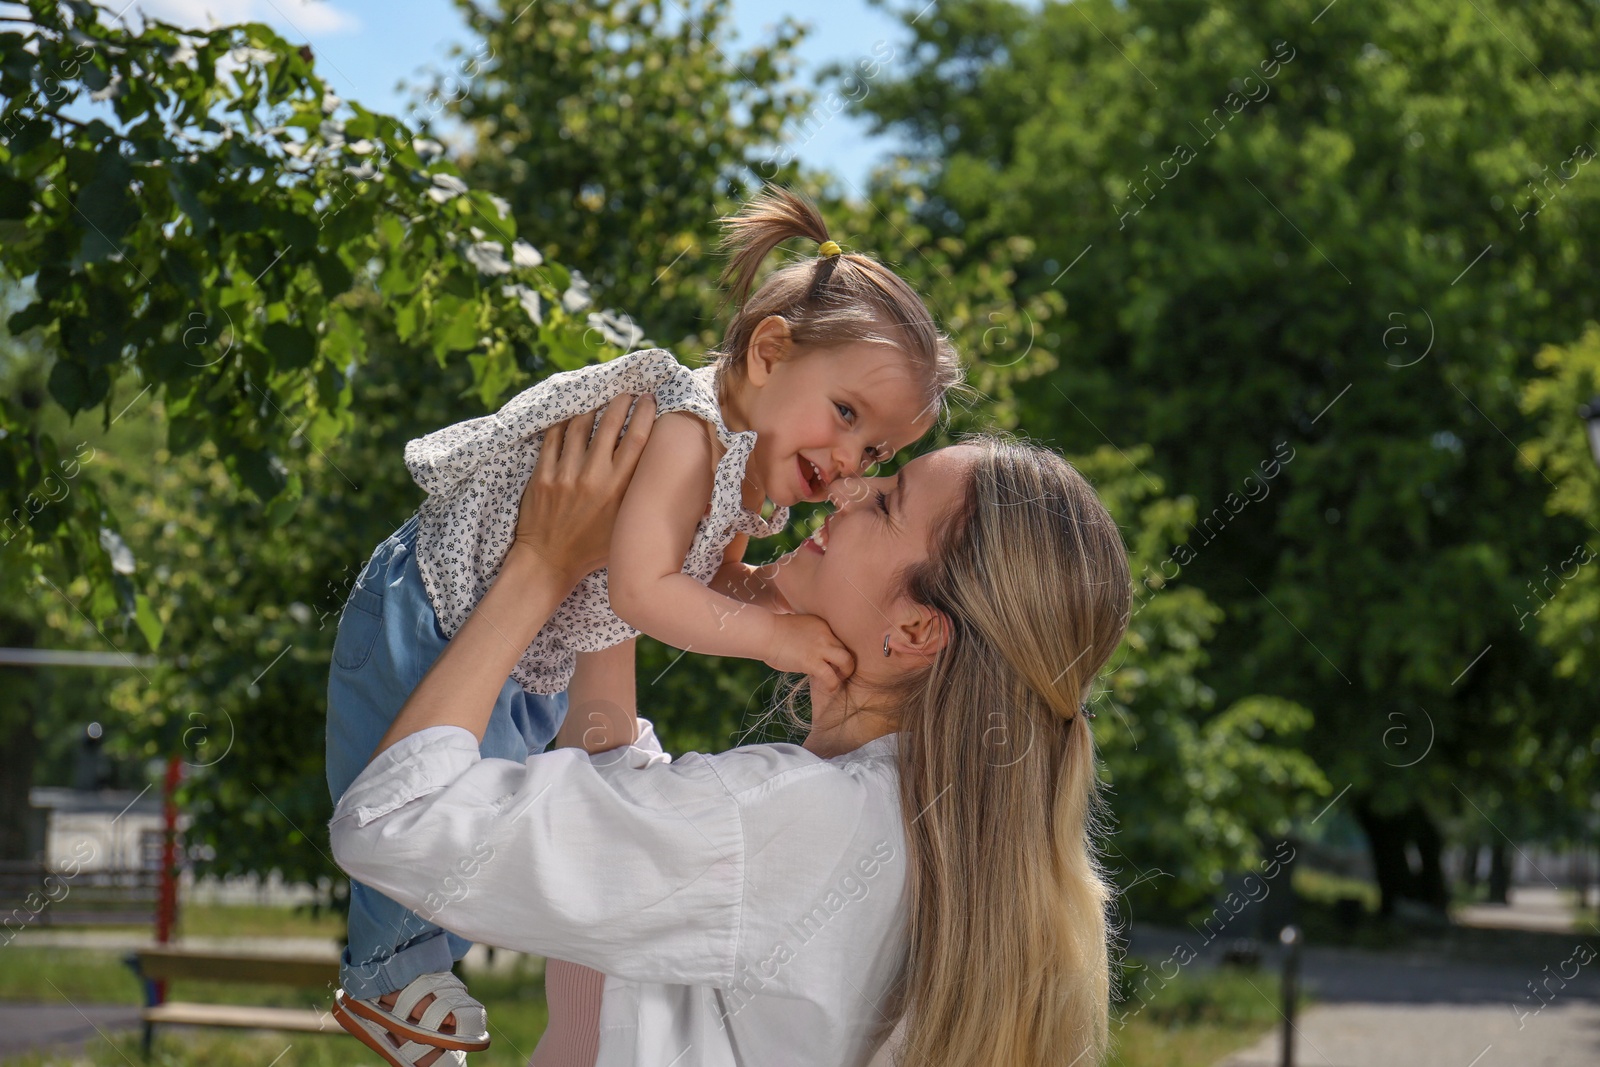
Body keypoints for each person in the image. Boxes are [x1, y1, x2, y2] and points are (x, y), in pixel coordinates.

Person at [325, 185, 963, 1062]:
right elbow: (642, 593)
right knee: (413, 779)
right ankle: (383, 977)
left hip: (523, 642)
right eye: (847, 416)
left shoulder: (748, 477)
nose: (850, 466)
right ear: (769, 355)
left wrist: (772, 594)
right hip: (433, 601)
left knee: (481, 793)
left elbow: (713, 584)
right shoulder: (688, 434)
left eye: (879, 456)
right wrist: (778, 631)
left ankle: (403, 968)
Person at [330, 396, 1132, 1067]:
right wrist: (631, 556)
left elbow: (395, 826)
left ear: (917, 631)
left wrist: (539, 562)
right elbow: (623, 810)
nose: (849, 487)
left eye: (887, 502)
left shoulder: (801, 819)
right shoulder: (920, 828)